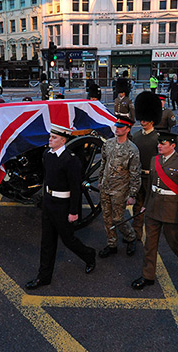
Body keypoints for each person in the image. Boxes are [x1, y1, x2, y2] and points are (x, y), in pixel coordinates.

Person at [26, 125, 97, 289]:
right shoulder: (47, 154)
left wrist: (73, 212)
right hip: (49, 203)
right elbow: (47, 178)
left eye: (54, 137)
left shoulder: (71, 160)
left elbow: (75, 187)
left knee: (68, 240)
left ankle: (89, 255)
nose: (50, 139)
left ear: (63, 140)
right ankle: (43, 277)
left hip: (63, 206)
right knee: (47, 242)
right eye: (50, 136)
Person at [131, 130, 178, 290]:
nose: (159, 146)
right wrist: (145, 205)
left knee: (174, 242)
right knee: (150, 244)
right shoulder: (154, 160)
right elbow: (151, 187)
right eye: (159, 143)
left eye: (163, 143)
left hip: (172, 210)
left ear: (173, 145)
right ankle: (148, 276)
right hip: (154, 208)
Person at [97, 117, 140, 258]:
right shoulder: (108, 144)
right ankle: (112, 244)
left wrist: (133, 194)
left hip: (120, 190)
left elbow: (135, 173)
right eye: (116, 126)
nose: (117, 128)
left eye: (121, 127)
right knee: (107, 218)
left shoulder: (132, 149)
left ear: (127, 129)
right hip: (105, 187)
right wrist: (100, 180)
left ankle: (130, 237)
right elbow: (103, 163)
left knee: (118, 219)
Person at [130, 91, 162, 240]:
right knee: (138, 206)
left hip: (152, 178)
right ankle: (135, 233)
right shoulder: (135, 136)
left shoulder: (158, 139)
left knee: (151, 208)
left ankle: (151, 235)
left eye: (146, 119)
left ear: (152, 119)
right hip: (138, 177)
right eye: (141, 118)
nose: (142, 121)